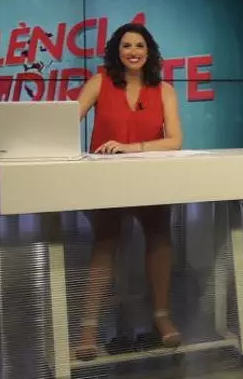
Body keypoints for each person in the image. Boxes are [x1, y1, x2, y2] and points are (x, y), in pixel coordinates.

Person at [74, 23, 184, 360]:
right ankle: (89, 329)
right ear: (116, 51)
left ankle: (161, 317)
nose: (133, 52)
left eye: (139, 45)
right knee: (105, 243)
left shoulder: (164, 89)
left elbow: (175, 141)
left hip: (150, 178)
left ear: (149, 52)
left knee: (159, 238)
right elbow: (65, 121)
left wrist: (130, 147)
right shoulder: (99, 82)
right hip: (106, 179)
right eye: (126, 46)